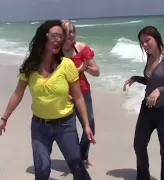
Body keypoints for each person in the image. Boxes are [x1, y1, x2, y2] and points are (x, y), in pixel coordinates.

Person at [0, 20, 95, 180]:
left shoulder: (66, 65)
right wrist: (4, 118)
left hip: (65, 125)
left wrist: (87, 126)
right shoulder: (30, 66)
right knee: (42, 171)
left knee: (77, 167)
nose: (57, 40)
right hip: (40, 127)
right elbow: (18, 93)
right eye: (54, 36)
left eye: (60, 37)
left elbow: (78, 96)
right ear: (43, 37)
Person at [123, 26, 164, 180]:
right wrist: (135, 78)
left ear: (156, 38)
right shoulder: (150, 57)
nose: (145, 45)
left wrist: (160, 90)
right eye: (142, 42)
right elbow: (152, 81)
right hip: (148, 108)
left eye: (147, 40)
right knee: (139, 144)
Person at [61, 20, 100, 166]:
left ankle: (83, 156)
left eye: (73, 31)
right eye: (67, 32)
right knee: (69, 129)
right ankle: (74, 159)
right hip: (63, 94)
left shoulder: (82, 48)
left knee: (89, 125)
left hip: (82, 92)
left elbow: (97, 72)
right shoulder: (56, 52)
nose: (71, 34)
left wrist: (86, 69)